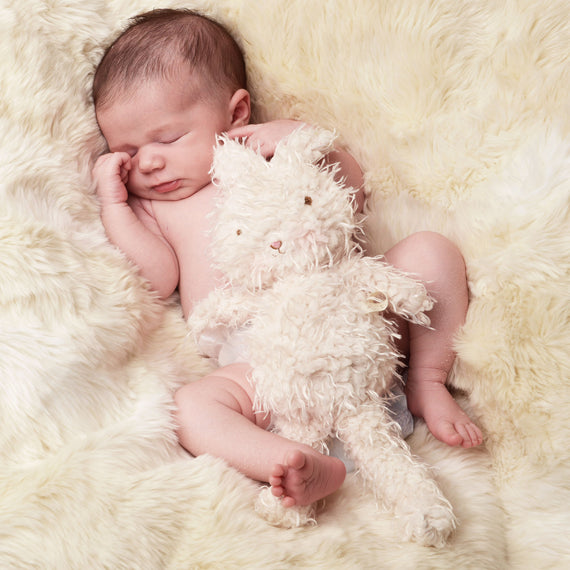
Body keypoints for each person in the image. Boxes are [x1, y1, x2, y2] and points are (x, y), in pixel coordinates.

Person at [92, 8, 482, 511]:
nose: (147, 162)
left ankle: (426, 380)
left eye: (168, 138)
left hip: (359, 327)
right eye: (127, 149)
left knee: (431, 252)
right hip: (262, 365)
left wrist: (301, 140)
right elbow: (156, 276)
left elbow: (353, 196)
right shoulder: (159, 205)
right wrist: (114, 206)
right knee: (190, 408)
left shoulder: (271, 152)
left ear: (236, 114)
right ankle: (293, 458)